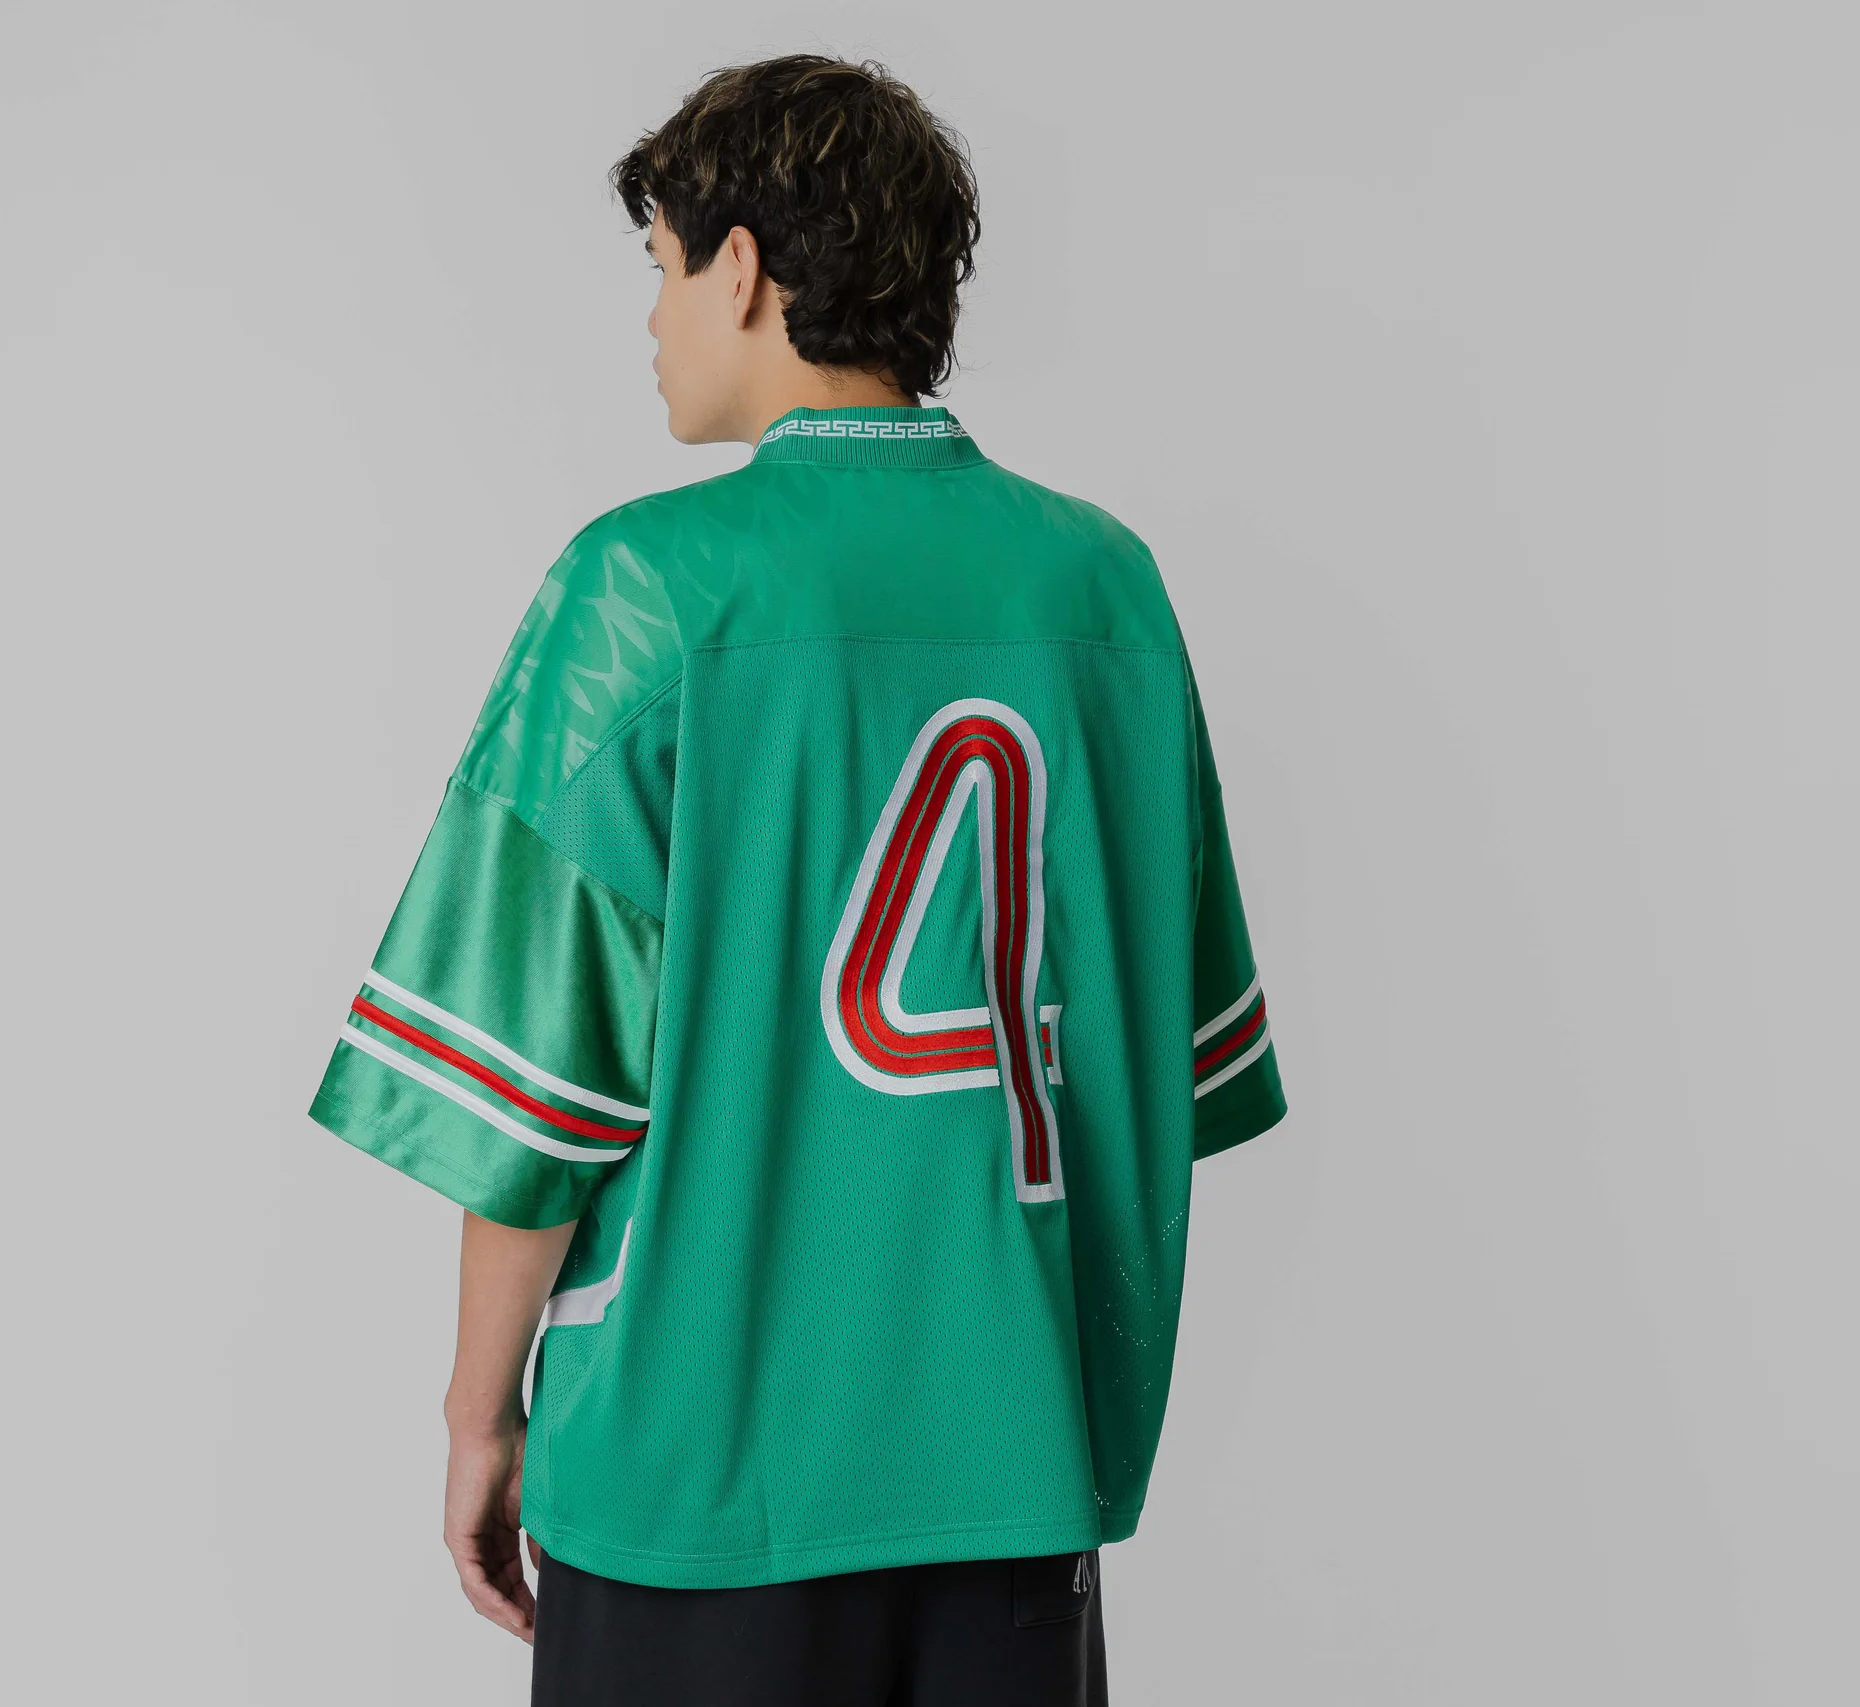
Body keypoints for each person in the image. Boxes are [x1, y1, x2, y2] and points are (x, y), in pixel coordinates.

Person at [306, 54, 1286, 1706]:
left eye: (663, 268)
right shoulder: (1110, 592)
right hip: (1015, 1475)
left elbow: (535, 1103)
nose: (654, 318)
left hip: (698, 1485)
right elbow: (1161, 1062)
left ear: (744, 266)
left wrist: (478, 1415)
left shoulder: (641, 592)